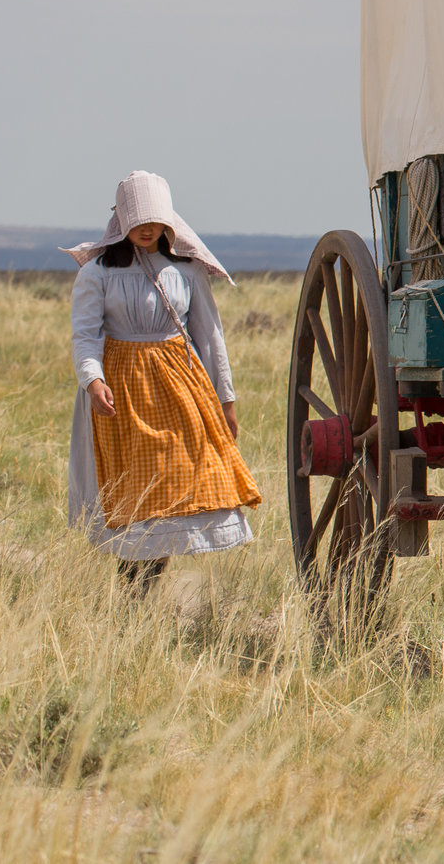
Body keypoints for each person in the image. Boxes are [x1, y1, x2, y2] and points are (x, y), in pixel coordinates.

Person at [64, 171, 260, 592]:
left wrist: (226, 401)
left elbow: (210, 337)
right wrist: (92, 380)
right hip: (122, 393)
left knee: (174, 485)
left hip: (180, 391)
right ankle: (133, 591)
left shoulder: (186, 271)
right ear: (123, 220)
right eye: (138, 219)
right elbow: (85, 333)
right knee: (133, 492)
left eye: (154, 219)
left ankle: (145, 588)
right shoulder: (97, 274)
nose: (147, 228)